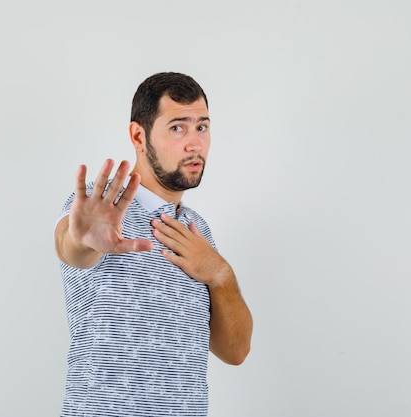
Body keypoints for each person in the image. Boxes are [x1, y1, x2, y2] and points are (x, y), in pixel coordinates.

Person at [54, 72, 253, 416]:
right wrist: (80, 239)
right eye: (177, 127)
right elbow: (71, 248)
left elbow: (235, 352)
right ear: (138, 136)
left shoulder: (198, 231)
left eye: (201, 127)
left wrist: (220, 274)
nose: (194, 144)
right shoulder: (98, 209)